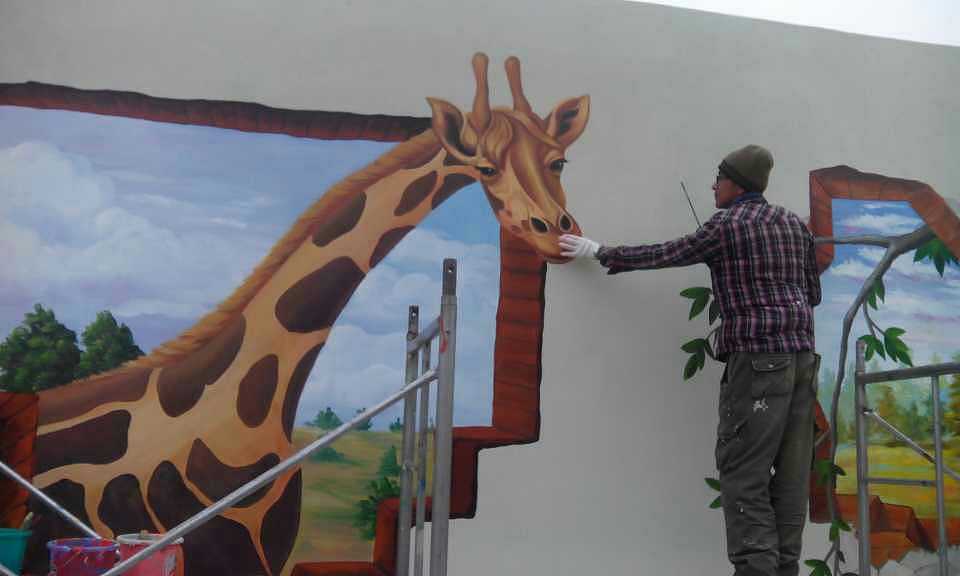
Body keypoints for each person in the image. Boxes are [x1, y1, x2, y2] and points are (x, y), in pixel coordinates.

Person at [559, 145, 822, 576]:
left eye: (719, 178)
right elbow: (812, 293)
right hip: (803, 362)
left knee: (744, 472)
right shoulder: (794, 224)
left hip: (758, 363)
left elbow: (668, 252)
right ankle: (784, 568)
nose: (713, 186)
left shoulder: (727, 225)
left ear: (736, 183)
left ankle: (757, 570)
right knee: (792, 476)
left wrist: (600, 251)